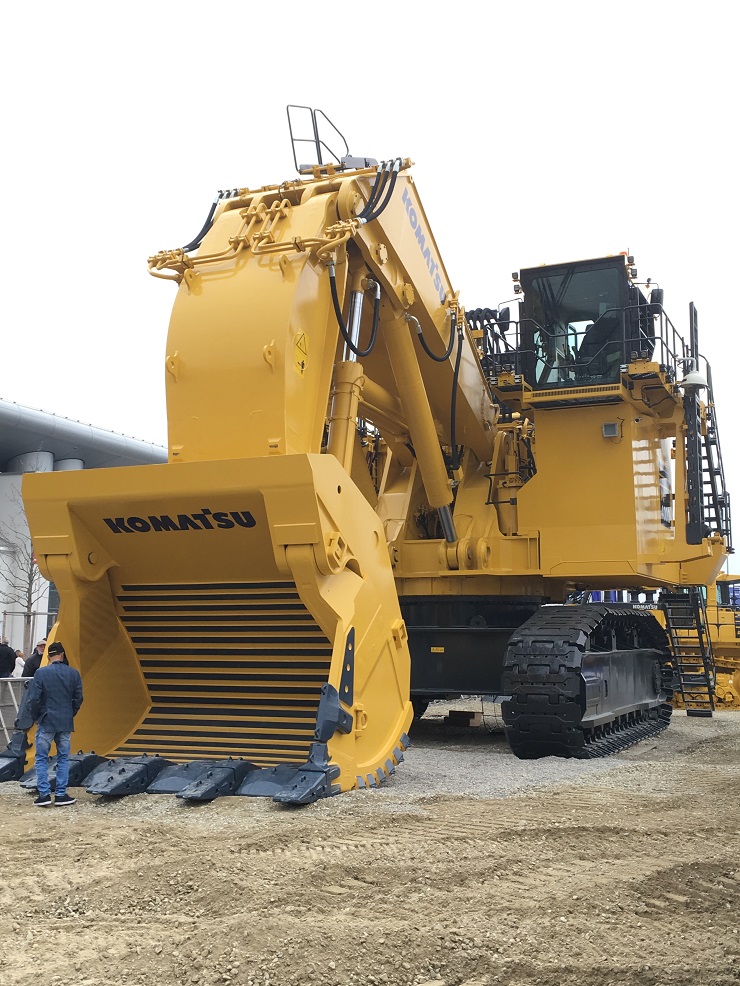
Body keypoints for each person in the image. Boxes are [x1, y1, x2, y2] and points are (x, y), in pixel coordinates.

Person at [26, 641, 83, 807]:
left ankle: (44, 794)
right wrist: (70, 713)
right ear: (62, 655)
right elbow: (78, 698)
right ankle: (60, 794)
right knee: (63, 757)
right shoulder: (73, 673)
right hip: (65, 722)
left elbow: (34, 699)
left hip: (46, 720)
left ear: (48, 656)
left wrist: (37, 716)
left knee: (41, 758)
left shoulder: (41, 673)